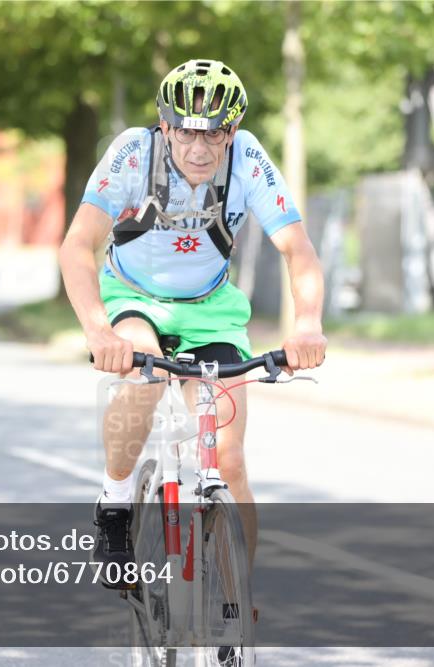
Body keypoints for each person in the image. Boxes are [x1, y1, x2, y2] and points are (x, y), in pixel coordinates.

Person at [59, 58, 327, 590]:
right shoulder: (133, 153)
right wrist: (98, 330)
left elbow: (298, 250)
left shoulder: (247, 159)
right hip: (133, 295)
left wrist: (307, 325)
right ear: (166, 126)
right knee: (142, 378)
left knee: (229, 462)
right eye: (186, 132)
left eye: (215, 135)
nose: (199, 149)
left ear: (232, 132)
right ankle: (114, 505)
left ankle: (235, 606)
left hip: (210, 306)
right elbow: (77, 245)